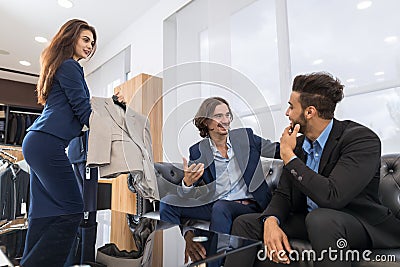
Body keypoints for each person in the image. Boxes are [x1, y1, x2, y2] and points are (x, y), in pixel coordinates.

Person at [224, 72, 400, 267]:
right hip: (312, 221)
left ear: (309, 112)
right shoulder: (298, 145)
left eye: (291, 107)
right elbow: (284, 195)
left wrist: (289, 158)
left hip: (360, 224)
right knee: (246, 223)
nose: (287, 113)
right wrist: (271, 221)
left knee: (321, 219)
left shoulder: (361, 139)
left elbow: (332, 196)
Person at [159, 97, 279, 261]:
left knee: (221, 208)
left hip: (250, 206)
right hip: (216, 204)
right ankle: (187, 243)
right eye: (218, 116)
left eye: (227, 115)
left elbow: (278, 149)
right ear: (206, 122)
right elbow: (188, 195)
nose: (225, 121)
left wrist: (301, 140)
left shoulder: (246, 137)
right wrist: (187, 182)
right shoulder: (197, 151)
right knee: (168, 202)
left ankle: (215, 263)